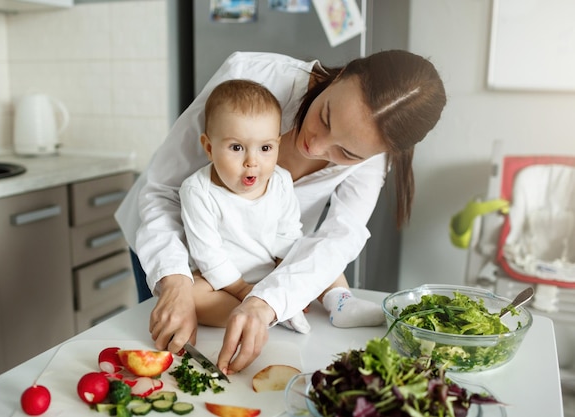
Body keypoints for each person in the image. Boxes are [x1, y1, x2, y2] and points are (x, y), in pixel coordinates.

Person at [114, 50, 446, 376]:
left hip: (254, 261)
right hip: (168, 243)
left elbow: (338, 238)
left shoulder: (372, 160)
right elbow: (163, 191)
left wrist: (267, 303)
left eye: (345, 152)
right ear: (342, 74)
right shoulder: (253, 76)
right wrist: (175, 284)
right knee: (169, 350)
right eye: (325, 117)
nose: (315, 147)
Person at [180, 79, 384, 333]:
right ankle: (253, 314)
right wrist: (244, 290)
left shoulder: (279, 180)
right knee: (192, 297)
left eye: (265, 148)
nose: (252, 162)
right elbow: (208, 256)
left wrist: (287, 280)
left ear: (277, 144)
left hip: (270, 271)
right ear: (209, 148)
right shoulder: (197, 191)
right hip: (222, 280)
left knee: (316, 251)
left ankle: (340, 301)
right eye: (236, 148)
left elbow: (287, 236)